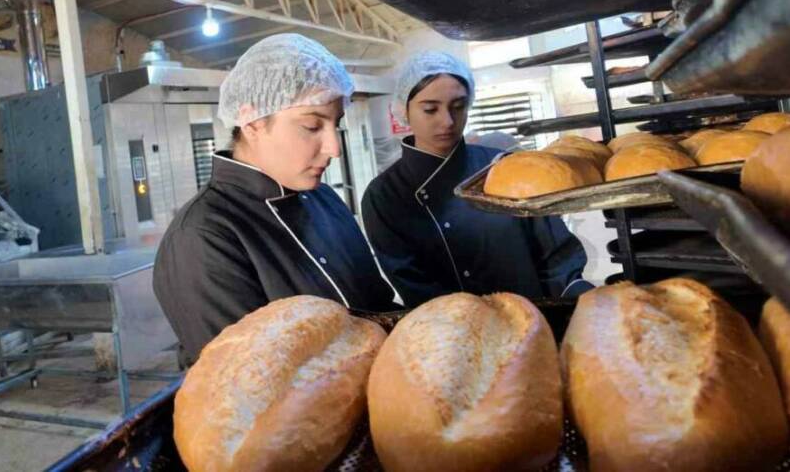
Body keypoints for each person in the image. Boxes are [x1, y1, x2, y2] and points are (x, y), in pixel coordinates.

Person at [153, 34, 404, 365]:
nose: (334, 148)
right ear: (253, 121)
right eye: (312, 126)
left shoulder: (324, 199)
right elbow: (249, 385)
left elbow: (379, 306)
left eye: (336, 125)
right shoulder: (204, 236)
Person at [362, 51, 593, 305]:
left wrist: (584, 300)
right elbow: (416, 290)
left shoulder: (504, 167)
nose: (447, 121)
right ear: (403, 111)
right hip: (454, 337)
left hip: (539, 321)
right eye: (430, 109)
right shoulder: (384, 196)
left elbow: (558, 259)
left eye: (458, 107)